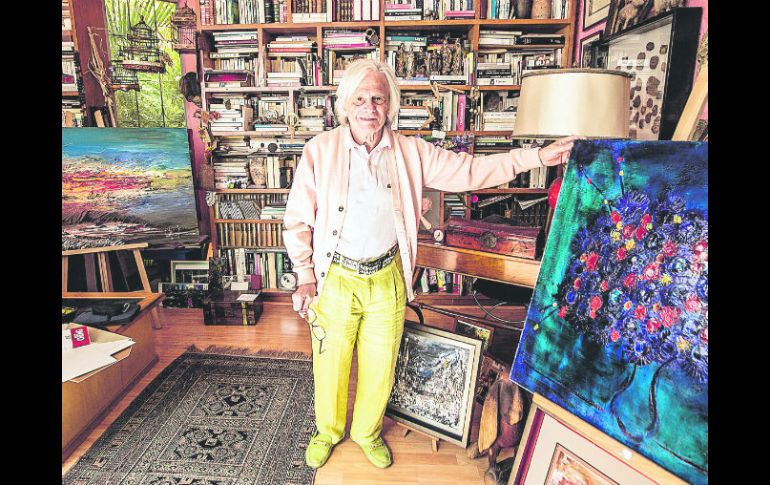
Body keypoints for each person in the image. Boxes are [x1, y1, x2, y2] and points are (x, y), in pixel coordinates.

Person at [283, 59, 577, 470]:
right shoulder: (320, 150)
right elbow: (299, 219)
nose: (369, 108)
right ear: (345, 104)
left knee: (381, 364)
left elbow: (471, 170)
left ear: (390, 105)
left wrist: (537, 157)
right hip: (336, 278)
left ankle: (367, 431)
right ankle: (327, 432)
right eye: (361, 99)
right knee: (330, 362)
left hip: (386, 276)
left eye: (378, 99)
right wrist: (304, 276)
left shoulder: (410, 151)